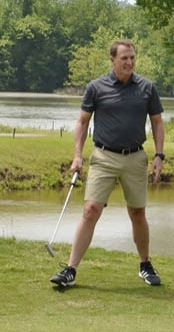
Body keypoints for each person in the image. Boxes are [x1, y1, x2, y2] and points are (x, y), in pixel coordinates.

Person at [49, 39, 166, 288]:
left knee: (137, 213)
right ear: (112, 60)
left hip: (135, 157)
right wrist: (77, 155)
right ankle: (70, 270)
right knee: (91, 210)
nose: (129, 62)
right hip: (103, 156)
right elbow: (82, 122)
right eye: (124, 58)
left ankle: (145, 265)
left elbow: (157, 122)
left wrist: (159, 155)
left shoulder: (146, 87)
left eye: (132, 57)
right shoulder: (96, 87)